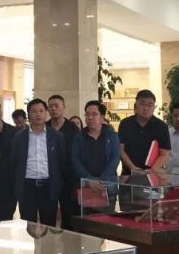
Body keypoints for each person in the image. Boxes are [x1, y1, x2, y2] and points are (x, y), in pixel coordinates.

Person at [11, 99, 66, 226]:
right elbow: (14, 163)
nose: (38, 114)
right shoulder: (19, 137)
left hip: (48, 187)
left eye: (41, 111)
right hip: (27, 187)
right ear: (28, 114)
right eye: (34, 111)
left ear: (46, 113)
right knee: (28, 225)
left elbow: (62, 163)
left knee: (49, 225)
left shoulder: (57, 136)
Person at [72, 101, 121, 214]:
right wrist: (89, 180)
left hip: (107, 186)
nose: (90, 117)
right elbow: (75, 160)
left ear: (102, 117)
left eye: (94, 114)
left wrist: (101, 181)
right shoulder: (79, 137)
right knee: (87, 221)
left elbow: (115, 159)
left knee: (106, 221)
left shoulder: (111, 135)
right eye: (87, 114)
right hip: (86, 186)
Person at [46, 94, 81, 230]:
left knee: (69, 217)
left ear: (64, 107)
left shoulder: (73, 128)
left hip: (69, 179)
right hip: (48, 178)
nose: (53, 109)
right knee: (48, 217)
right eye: (50, 106)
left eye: (57, 106)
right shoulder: (44, 127)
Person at [118, 90, 171, 174]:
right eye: (142, 104)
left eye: (150, 104)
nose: (146, 108)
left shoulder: (162, 126)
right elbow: (121, 150)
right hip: (128, 174)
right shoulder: (125, 124)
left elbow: (165, 154)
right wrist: (133, 169)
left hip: (153, 174)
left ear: (154, 107)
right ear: (136, 105)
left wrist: (152, 170)